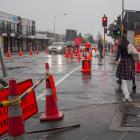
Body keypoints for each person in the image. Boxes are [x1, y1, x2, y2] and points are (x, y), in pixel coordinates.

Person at [116, 35, 136, 102]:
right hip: (130, 61)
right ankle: (133, 85)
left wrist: (116, 59)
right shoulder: (129, 44)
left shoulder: (120, 45)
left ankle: (127, 96)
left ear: (121, 39)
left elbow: (118, 53)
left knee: (123, 79)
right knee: (132, 74)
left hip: (124, 62)